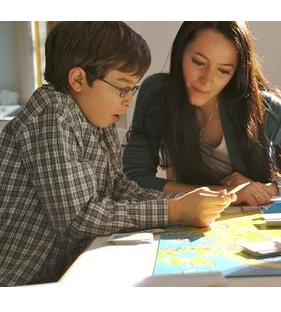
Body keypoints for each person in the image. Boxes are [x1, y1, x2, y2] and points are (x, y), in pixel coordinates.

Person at [0, 21, 235, 287]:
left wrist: (181, 200)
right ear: (78, 79)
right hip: (19, 279)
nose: (129, 100)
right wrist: (173, 210)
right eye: (122, 88)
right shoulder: (51, 115)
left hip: (63, 272)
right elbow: (78, 218)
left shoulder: (96, 119)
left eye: (132, 89)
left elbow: (117, 187)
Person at [123, 21, 281, 206]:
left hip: (256, 231)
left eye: (223, 71)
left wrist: (268, 190)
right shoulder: (157, 95)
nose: (207, 80)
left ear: (235, 74)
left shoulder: (262, 108)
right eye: (198, 62)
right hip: (194, 227)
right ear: (180, 54)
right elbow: (132, 181)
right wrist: (224, 193)